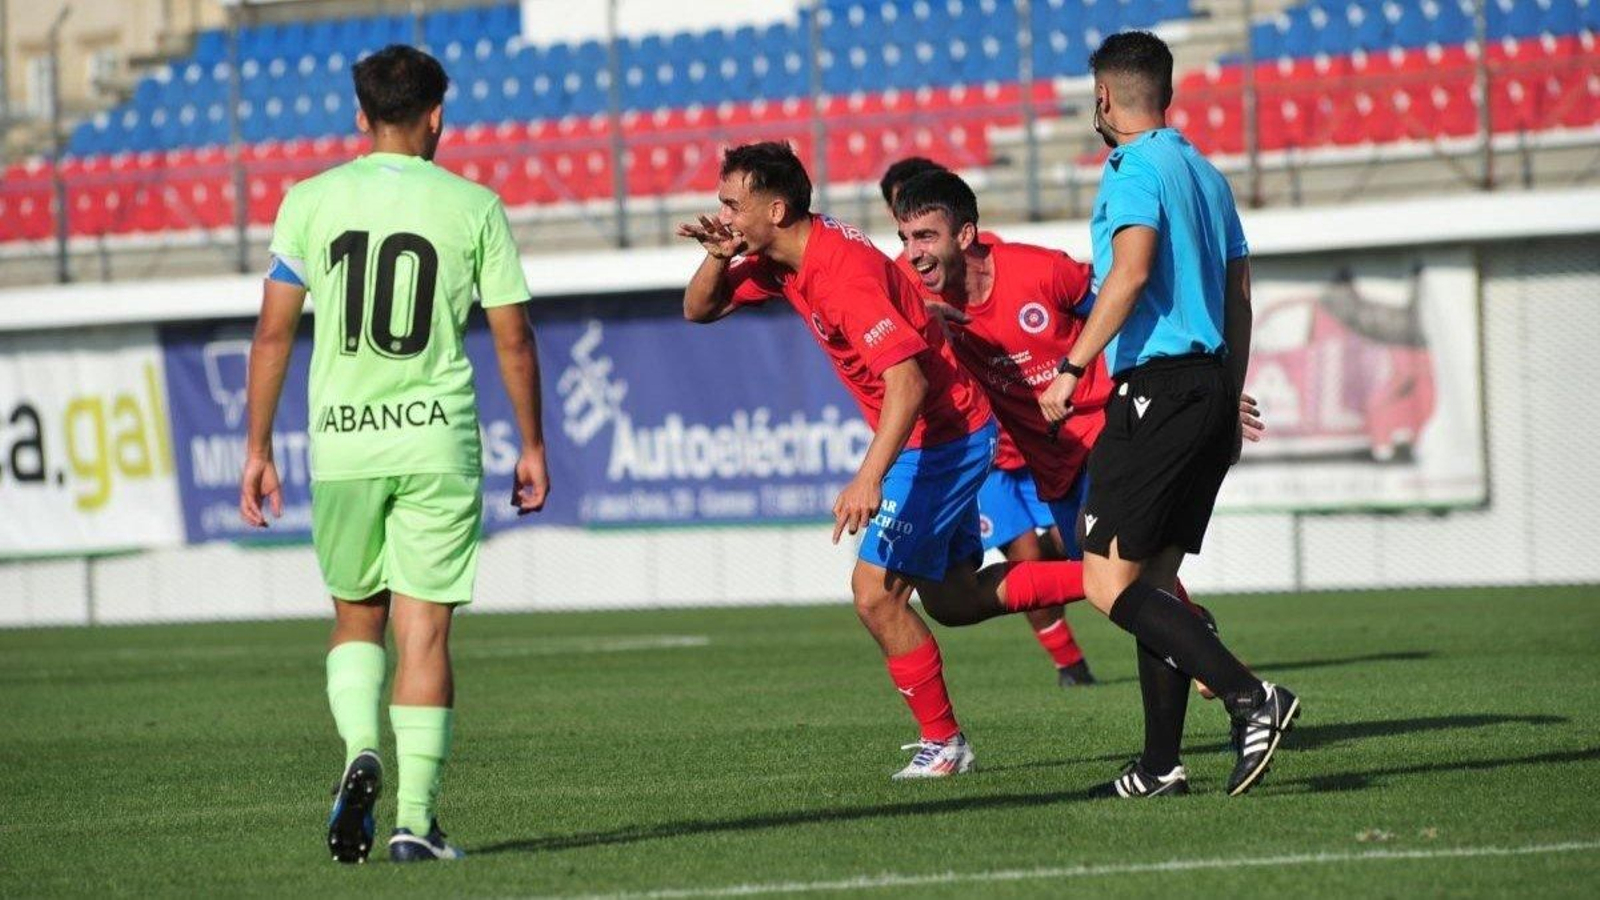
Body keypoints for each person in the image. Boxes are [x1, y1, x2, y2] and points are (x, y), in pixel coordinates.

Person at [678, 142, 1099, 779]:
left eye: (733, 204)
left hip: (941, 436)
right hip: (944, 431)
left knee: (874, 595)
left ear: (777, 206)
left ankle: (945, 746)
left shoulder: (837, 273)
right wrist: (717, 257)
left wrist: (868, 477)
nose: (724, 214)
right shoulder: (781, 259)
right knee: (954, 602)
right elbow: (698, 309)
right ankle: (1112, 579)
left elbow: (907, 383)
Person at [239, 44, 550, 861]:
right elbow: (513, 339)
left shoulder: (309, 201)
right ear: (437, 114)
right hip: (434, 441)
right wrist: (533, 444)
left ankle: (357, 755)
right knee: (426, 635)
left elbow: (273, 332)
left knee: (356, 618)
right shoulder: (474, 206)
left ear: (360, 114)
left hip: (341, 444)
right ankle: (414, 820)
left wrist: (257, 448)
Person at [1037, 31, 1298, 798]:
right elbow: (1239, 294)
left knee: (1106, 583)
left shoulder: (1132, 167)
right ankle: (1159, 765)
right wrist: (1227, 390)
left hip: (1155, 389)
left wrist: (1072, 366)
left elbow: (1133, 268)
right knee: (1153, 581)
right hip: (1207, 388)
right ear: (1169, 93)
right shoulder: (1207, 175)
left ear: (1105, 98)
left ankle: (1253, 697)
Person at [881, 158, 1095, 688]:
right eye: (903, 225)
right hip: (994, 452)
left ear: (961, 229)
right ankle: (1071, 664)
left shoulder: (1009, 263)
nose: (915, 247)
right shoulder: (904, 287)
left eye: (926, 228)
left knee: (1085, 557)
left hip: (1069, 438)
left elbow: (1114, 304)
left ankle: (1185, 635)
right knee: (1021, 554)